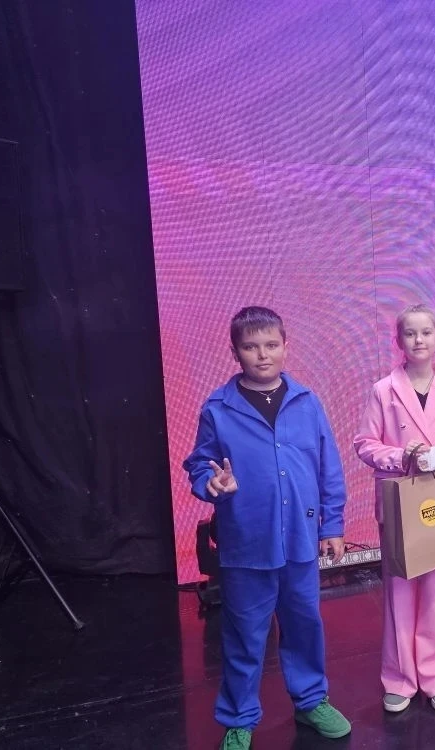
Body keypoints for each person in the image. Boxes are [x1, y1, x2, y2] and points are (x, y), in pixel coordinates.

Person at [183, 306, 352, 750]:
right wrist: (211, 483)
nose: (262, 355)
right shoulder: (218, 409)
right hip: (246, 545)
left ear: (285, 346)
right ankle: (239, 718)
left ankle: (311, 700)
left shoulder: (307, 403)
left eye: (271, 345)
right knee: (244, 636)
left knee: (304, 626)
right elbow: (199, 465)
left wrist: (333, 525)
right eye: (251, 347)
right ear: (235, 351)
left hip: (300, 541)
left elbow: (329, 468)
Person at [353, 304, 435, 713]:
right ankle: (400, 677)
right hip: (399, 498)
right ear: (398, 341)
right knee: (399, 590)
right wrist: (399, 456)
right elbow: (364, 444)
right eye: (410, 333)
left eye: (426, 332)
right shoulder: (383, 390)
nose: (418, 340)